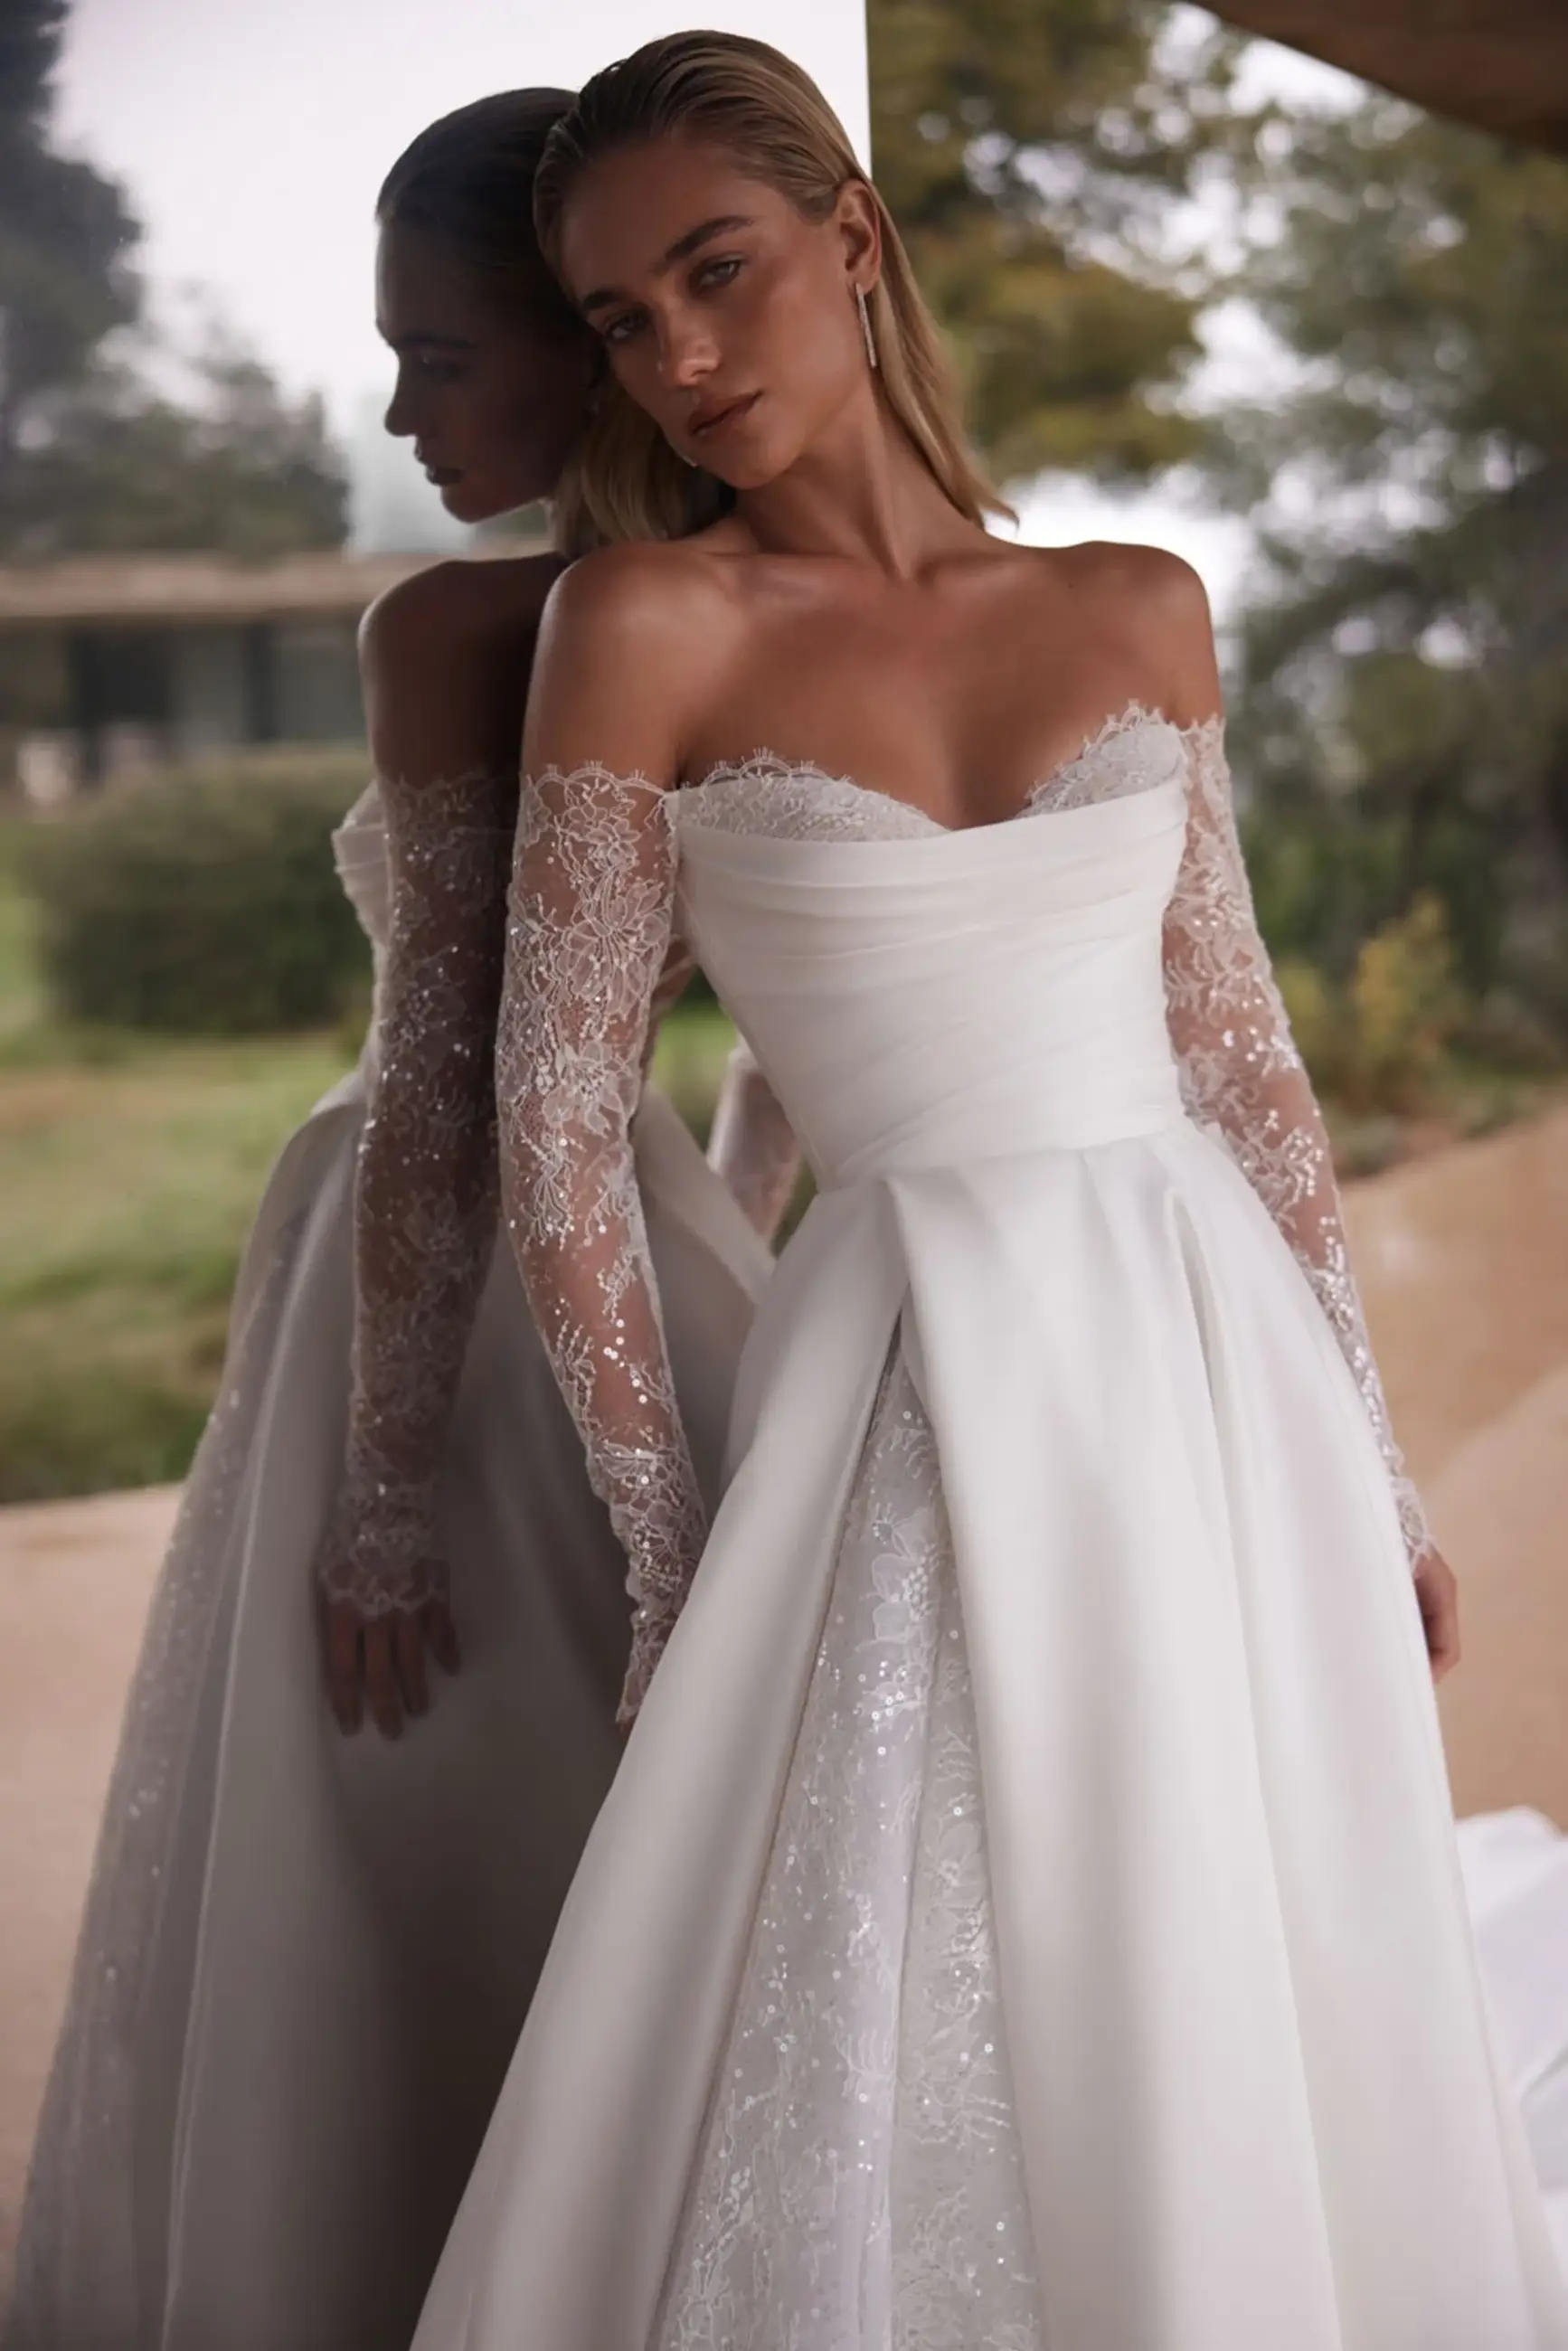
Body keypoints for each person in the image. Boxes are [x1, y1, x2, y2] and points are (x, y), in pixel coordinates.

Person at [410, 34, 1568, 2351]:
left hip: (1206, 1345)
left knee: (1226, 1900)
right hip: (906, 1370)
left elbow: (1242, 1061)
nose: (688, 356)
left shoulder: (1138, 604)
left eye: (717, 273)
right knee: (923, 1936)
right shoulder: (639, 631)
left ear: (854, 236)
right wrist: (664, 1551)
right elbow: (555, 1115)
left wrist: (1369, 1444)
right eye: (627, 321)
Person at [4, 90, 777, 2351]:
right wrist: (732, 1255)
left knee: (406, 1808)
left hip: (426, 1291)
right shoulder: (755, 622)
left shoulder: (461, 625)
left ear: (575, 345)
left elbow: (445, 1082)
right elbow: (793, 1029)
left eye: (440, 355)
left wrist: (378, 1490)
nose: (399, 404)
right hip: (637, 1235)